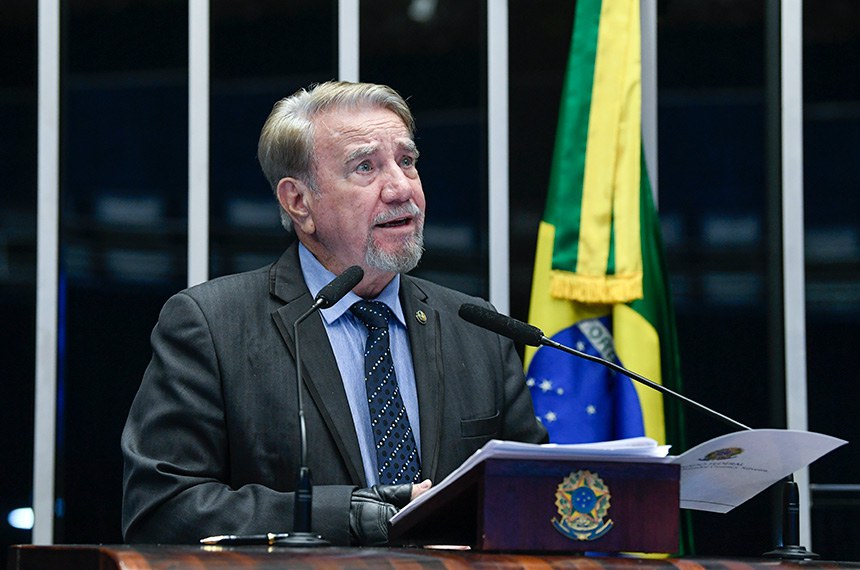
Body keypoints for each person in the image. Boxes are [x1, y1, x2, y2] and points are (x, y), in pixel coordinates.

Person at [121, 81, 547, 546]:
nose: (401, 188)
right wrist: (349, 514)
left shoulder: (478, 329)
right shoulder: (212, 326)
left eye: (407, 161)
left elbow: (535, 498)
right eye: (365, 167)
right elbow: (162, 509)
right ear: (298, 202)